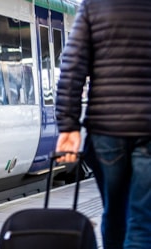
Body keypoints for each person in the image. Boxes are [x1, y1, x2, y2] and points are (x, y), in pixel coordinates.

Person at [54, 0, 151, 248]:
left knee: (114, 211)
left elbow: (72, 66)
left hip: (106, 129)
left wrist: (69, 127)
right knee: (143, 219)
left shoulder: (94, 5)